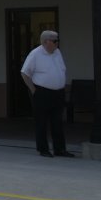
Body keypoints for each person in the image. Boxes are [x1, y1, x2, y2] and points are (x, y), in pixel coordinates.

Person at [20, 30, 73, 158]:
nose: (57, 43)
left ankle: (59, 149)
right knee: (41, 122)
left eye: (57, 40)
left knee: (57, 122)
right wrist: (34, 90)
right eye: (54, 41)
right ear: (45, 42)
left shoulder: (57, 52)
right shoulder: (35, 54)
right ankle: (43, 149)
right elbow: (25, 73)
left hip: (58, 93)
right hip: (42, 92)